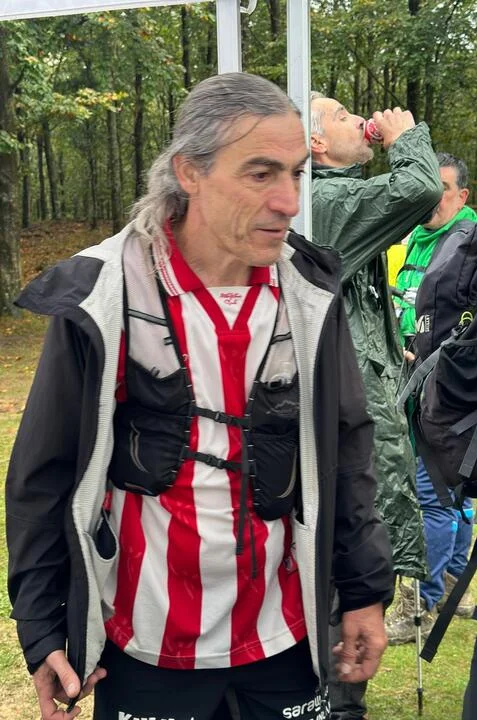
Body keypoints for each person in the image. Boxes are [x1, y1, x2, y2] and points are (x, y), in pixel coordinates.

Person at [6, 72, 394, 720]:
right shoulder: (104, 293)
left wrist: (363, 590)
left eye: (297, 174)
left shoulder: (309, 293)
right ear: (189, 171)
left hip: (283, 640)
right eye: (261, 174)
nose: (289, 201)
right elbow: (44, 473)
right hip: (146, 647)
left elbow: (346, 450)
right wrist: (42, 625)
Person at [310, 93, 443, 720]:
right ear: (315, 144)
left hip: (359, 425)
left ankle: (339, 698)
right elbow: (420, 188)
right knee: (343, 583)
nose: (357, 119)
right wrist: (405, 138)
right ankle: (335, 703)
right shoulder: (325, 203)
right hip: (344, 433)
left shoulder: (337, 201)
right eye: (340, 116)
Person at [386, 152, 477, 646]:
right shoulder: (410, 243)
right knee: (453, 494)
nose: (430, 198)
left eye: (441, 189)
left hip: (447, 399)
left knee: (434, 497)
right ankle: (454, 584)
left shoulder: (466, 245)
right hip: (417, 385)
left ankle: (420, 601)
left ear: (462, 195)